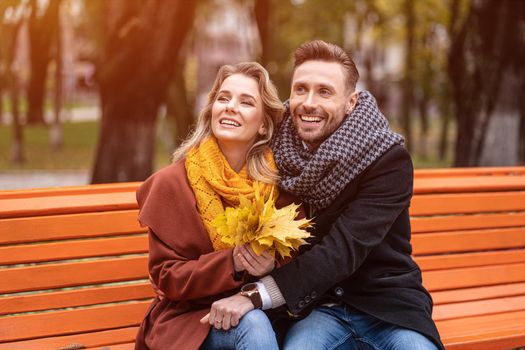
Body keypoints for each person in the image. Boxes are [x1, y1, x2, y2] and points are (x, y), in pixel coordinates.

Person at [209, 40, 445, 349]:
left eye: (324, 91)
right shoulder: (273, 152)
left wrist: (256, 296)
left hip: (386, 307)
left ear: (351, 102)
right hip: (317, 309)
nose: (309, 103)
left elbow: (343, 250)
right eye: (300, 89)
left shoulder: (387, 159)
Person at [134, 62, 289, 350]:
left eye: (246, 102)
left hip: (262, 311)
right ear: (211, 110)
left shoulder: (277, 185)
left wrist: (272, 265)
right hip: (189, 321)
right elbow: (167, 278)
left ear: (264, 123)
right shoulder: (172, 183)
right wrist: (232, 262)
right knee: (253, 326)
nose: (231, 106)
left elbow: (300, 260)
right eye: (223, 98)